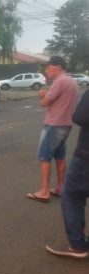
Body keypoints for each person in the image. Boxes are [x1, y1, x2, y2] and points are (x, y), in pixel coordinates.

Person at [26, 56, 78, 203]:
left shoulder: (59, 81)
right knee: (60, 157)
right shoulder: (72, 81)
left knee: (45, 157)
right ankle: (61, 188)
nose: (46, 70)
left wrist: (42, 95)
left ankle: (44, 191)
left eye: (49, 67)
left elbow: (44, 103)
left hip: (54, 125)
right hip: (66, 125)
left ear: (58, 67)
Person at [45, 89, 89, 258]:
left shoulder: (63, 82)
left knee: (71, 194)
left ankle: (77, 245)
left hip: (86, 156)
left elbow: (81, 116)